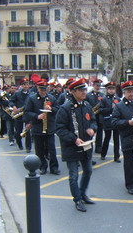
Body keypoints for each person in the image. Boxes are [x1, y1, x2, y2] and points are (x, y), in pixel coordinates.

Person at [55, 78, 97, 212]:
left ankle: (83, 193)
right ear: (73, 92)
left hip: (86, 145)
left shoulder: (87, 105)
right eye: (81, 90)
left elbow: (93, 121)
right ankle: (77, 199)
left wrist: (92, 128)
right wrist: (74, 139)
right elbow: (60, 128)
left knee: (88, 171)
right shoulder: (65, 108)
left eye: (85, 89)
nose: (84, 92)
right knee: (73, 175)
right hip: (71, 146)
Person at [24, 80, 60, 175]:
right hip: (38, 127)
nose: (44, 92)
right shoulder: (32, 99)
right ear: (38, 88)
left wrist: (51, 109)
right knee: (39, 149)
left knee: (52, 149)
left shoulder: (51, 98)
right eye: (42, 89)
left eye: (45, 89)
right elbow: (27, 112)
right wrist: (37, 116)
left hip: (49, 127)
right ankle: (42, 166)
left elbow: (58, 109)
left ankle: (54, 167)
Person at [98, 82, 121, 162]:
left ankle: (116, 156)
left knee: (116, 139)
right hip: (107, 121)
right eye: (110, 89)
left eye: (113, 89)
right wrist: (111, 109)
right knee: (107, 138)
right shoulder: (104, 99)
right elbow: (100, 110)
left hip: (116, 121)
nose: (111, 91)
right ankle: (103, 154)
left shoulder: (117, 99)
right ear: (107, 90)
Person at [10, 78, 32, 152]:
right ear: (21, 86)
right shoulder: (17, 93)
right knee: (18, 131)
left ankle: (28, 147)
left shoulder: (31, 94)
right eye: (24, 84)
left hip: (27, 114)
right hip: (19, 114)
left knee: (28, 130)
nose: (26, 86)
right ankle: (19, 144)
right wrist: (14, 106)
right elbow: (10, 101)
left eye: (27, 84)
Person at [86, 79, 104, 154]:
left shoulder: (102, 95)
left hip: (99, 116)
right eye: (97, 85)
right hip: (91, 116)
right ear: (93, 85)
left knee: (100, 134)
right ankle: (88, 148)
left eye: (99, 86)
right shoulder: (88, 95)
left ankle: (98, 148)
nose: (98, 87)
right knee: (90, 133)